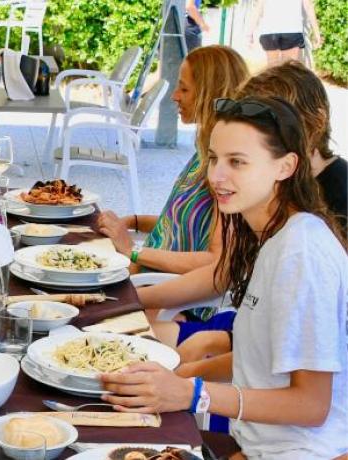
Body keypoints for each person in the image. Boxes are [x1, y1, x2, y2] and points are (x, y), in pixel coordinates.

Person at [102, 96, 347, 459]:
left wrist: (193, 392)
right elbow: (263, 360)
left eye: (237, 162)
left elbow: (311, 404)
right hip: (255, 445)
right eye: (214, 158)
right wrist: (179, 377)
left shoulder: (301, 252)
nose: (216, 176)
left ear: (286, 166)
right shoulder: (274, 237)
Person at [165, 60, 347, 367]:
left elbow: (310, 381)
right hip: (249, 341)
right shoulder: (264, 198)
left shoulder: (310, 234)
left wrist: (198, 378)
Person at [97, 46, 249, 276]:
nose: (174, 95)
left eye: (184, 88)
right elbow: (183, 226)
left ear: (210, 95)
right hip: (145, 276)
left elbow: (216, 260)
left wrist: (133, 250)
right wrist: (131, 221)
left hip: (167, 297)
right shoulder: (204, 152)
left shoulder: (224, 169)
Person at [247, 0, 322, 68]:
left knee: (273, 68)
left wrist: (249, 33)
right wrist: (317, 33)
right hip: (291, 29)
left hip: (270, 30)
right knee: (289, 69)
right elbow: (308, 6)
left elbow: (258, 8)